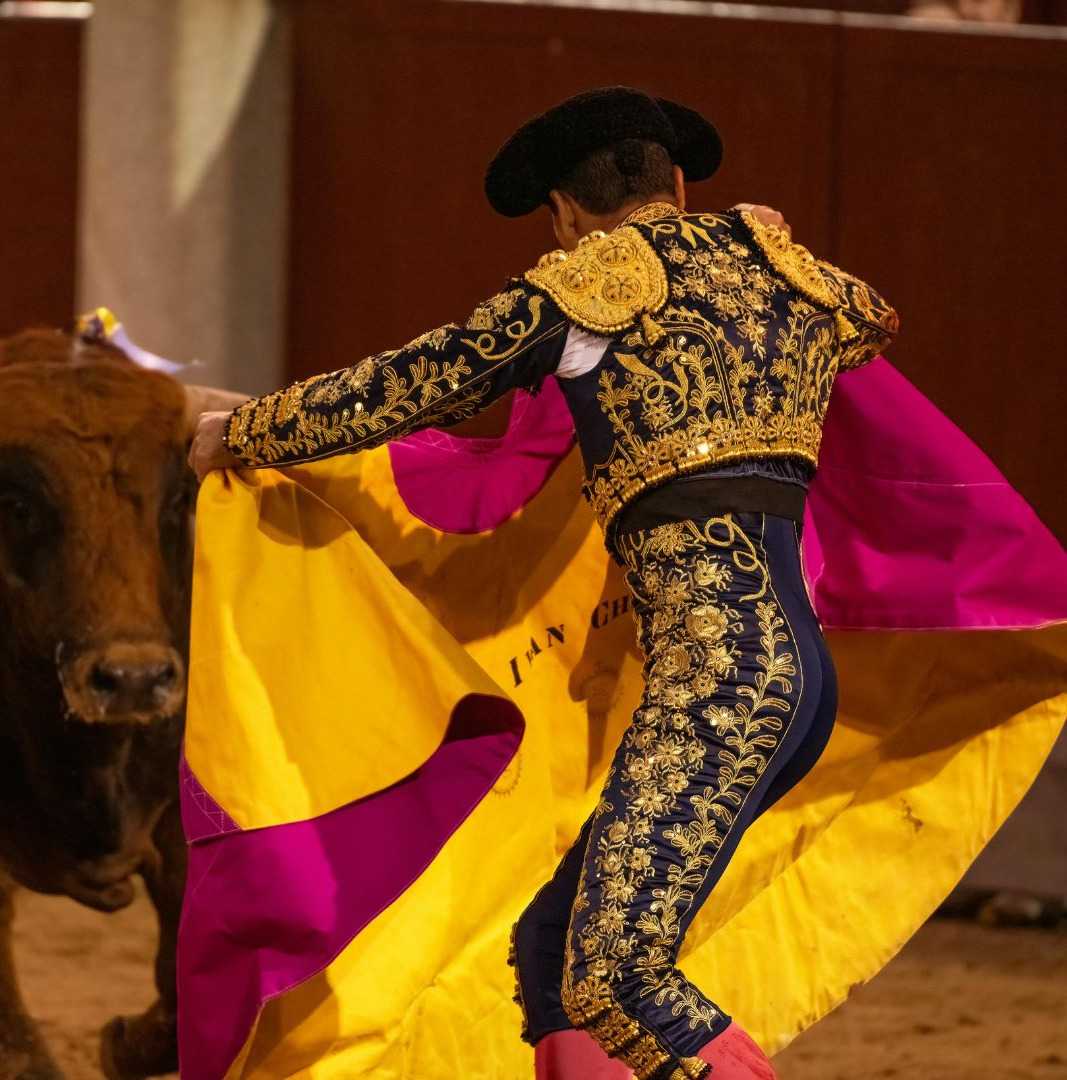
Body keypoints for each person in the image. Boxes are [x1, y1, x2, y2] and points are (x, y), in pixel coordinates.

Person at [189, 86, 897, 1080]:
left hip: (717, 688)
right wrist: (765, 240)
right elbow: (867, 319)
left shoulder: (582, 294)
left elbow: (404, 386)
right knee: (555, 953)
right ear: (679, 183)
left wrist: (248, 430)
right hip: (799, 680)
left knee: (616, 977)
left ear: (565, 214)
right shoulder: (784, 272)